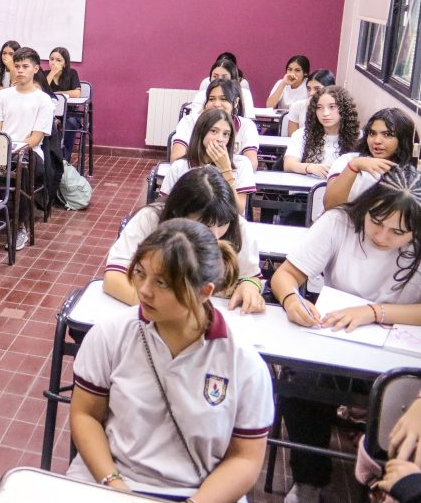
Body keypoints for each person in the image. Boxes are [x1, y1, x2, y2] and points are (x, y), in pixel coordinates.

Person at [68, 218, 274, 501]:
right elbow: (85, 414)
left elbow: (245, 458)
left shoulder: (244, 364)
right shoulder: (110, 335)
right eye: (140, 273)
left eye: (162, 282)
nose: (144, 290)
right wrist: (114, 485)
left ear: (204, 292)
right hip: (111, 481)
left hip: (198, 492)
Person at [270, 166, 421, 503]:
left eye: (398, 232)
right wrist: (292, 299)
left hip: (396, 350)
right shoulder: (340, 222)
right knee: (301, 380)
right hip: (335, 336)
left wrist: (373, 312)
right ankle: (309, 480)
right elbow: (285, 275)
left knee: (402, 395)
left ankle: (387, 484)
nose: (382, 236)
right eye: (376, 222)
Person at [104, 166, 265, 314]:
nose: (215, 236)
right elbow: (114, 277)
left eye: (222, 224)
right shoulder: (150, 219)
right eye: (205, 225)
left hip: (213, 319)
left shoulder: (239, 227)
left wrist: (250, 285)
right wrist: (169, 311)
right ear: (178, 214)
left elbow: (251, 276)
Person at [0, 47, 54, 251]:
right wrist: (1, 149)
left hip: (31, 153)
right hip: (3, 151)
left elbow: (35, 138)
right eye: (16, 66)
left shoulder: (43, 100)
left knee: (23, 168)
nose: (19, 70)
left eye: (25, 66)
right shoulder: (3, 95)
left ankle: (20, 227)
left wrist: (13, 149)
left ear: (35, 69)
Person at [160, 108, 256, 213]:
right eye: (214, 131)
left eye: (226, 134)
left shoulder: (241, 164)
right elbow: (165, 207)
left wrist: (226, 170)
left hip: (225, 221)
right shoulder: (179, 166)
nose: (220, 139)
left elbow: (239, 210)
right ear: (201, 133)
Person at [324, 107, 417, 210]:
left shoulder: (409, 175)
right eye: (372, 133)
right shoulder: (348, 160)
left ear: (403, 139)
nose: (377, 141)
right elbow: (330, 205)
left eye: (387, 135)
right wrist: (353, 166)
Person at [173, 79, 259, 170]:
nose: (217, 104)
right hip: (194, 174)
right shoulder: (190, 121)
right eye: (211, 99)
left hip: (231, 175)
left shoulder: (247, 125)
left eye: (223, 99)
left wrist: (224, 165)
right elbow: (176, 158)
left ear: (236, 102)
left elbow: (252, 164)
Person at [283, 85, 360, 177]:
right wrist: (310, 167)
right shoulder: (302, 134)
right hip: (308, 185)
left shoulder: (359, 137)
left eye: (332, 107)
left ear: (344, 109)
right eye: (319, 108)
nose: (325, 113)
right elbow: (288, 165)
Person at [43, 47, 81, 161]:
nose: (54, 62)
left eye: (58, 60)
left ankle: (64, 160)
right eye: (51, 59)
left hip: (69, 113)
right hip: (50, 113)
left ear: (65, 63)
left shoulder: (72, 73)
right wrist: (52, 73)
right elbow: (42, 91)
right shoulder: (45, 74)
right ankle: (48, 159)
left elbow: (77, 93)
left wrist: (58, 93)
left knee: (70, 124)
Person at [188, 57, 255, 118]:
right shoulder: (202, 94)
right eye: (215, 76)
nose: (219, 80)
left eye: (224, 77)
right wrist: (207, 108)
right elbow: (193, 119)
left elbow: (250, 118)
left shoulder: (244, 93)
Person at [285, 69, 335, 136]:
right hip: (302, 142)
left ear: (330, 89)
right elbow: (292, 137)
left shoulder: (337, 109)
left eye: (317, 89)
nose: (311, 93)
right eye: (308, 89)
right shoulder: (297, 106)